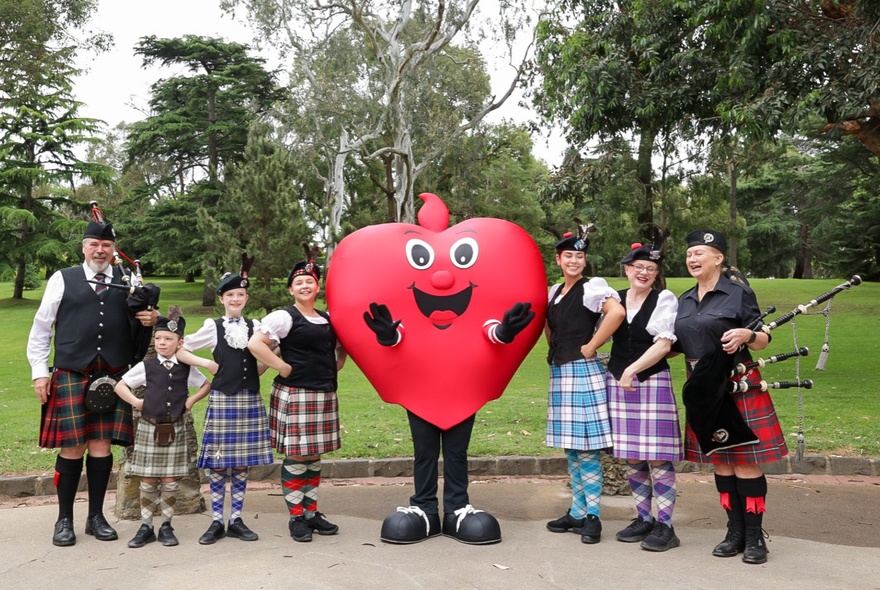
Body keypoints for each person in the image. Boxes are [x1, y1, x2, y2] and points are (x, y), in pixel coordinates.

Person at [27, 220, 158, 547]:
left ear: (113, 251)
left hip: (111, 375)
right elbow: (42, 329)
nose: (100, 250)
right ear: (84, 247)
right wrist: (40, 372)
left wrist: (149, 319)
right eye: (94, 244)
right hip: (71, 373)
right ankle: (64, 520)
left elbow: (142, 327)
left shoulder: (126, 282)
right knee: (72, 447)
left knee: (100, 448)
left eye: (107, 246)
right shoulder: (63, 278)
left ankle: (96, 517)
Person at [674, 229, 787, 565]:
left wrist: (747, 333)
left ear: (718, 258)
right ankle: (734, 531)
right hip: (702, 386)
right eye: (690, 253)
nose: (693, 259)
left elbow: (762, 340)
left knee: (745, 462)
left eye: (700, 253)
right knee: (721, 461)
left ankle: (754, 537)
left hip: (737, 382)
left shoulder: (737, 293)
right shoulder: (684, 300)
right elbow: (674, 344)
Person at [247, 253, 347, 543]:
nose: (305, 286)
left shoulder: (328, 318)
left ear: (317, 288)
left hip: (324, 393)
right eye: (299, 282)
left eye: (310, 282)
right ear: (291, 289)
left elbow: (340, 349)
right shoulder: (283, 317)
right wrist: (282, 366)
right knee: (297, 455)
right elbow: (256, 344)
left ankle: (312, 512)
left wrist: (339, 358)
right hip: (296, 394)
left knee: (314, 456)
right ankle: (296, 518)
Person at [177, 258, 274, 545]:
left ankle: (237, 519)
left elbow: (271, 352)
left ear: (246, 298)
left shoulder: (256, 326)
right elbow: (182, 350)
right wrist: (206, 362)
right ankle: (218, 521)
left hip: (249, 400)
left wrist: (263, 367)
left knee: (241, 465)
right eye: (230, 295)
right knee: (218, 464)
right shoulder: (213, 327)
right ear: (222, 298)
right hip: (221, 400)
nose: (235, 299)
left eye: (240, 295)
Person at [544, 230, 625, 544]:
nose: (574, 260)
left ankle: (593, 515)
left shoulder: (592, 288)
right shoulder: (555, 291)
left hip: (582, 371)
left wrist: (592, 344)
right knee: (572, 449)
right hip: (562, 371)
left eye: (579, 256)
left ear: (584, 260)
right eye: (569, 256)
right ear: (559, 259)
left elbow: (617, 312)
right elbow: (550, 326)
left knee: (588, 450)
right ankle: (577, 511)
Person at [114, 306, 211, 548]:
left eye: (168, 339)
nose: (162, 343)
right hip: (149, 427)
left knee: (170, 480)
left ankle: (166, 525)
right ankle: (146, 526)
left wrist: (191, 401)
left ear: (179, 342)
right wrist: (136, 402)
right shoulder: (146, 366)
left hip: (175, 427)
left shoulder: (186, 367)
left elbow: (206, 384)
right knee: (148, 480)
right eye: (158, 338)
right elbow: (120, 385)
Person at [606, 243, 682, 552]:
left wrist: (632, 370)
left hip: (649, 382)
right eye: (638, 267)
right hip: (618, 382)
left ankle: (665, 525)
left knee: (658, 457)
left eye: (650, 269)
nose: (644, 272)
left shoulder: (664, 298)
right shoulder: (614, 299)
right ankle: (643, 519)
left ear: (656, 274)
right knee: (633, 455)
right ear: (626, 269)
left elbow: (664, 345)